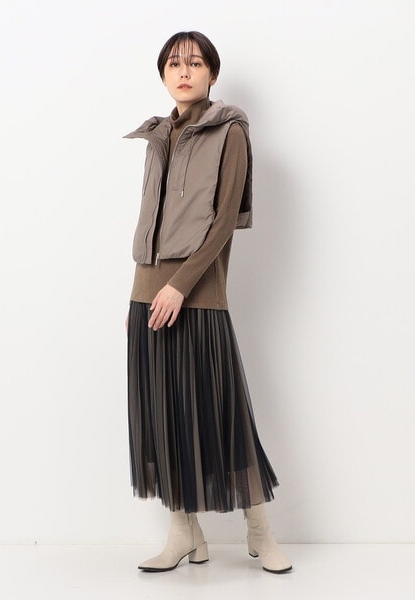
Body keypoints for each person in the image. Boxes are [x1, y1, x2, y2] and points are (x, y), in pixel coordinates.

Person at [124, 31, 292, 575]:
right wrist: (143, 292)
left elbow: (223, 224)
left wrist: (180, 285)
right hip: (146, 294)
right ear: (163, 74)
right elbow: (152, 222)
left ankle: (259, 530)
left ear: (212, 74)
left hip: (197, 294)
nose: (184, 71)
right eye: (174, 63)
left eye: (195, 63)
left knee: (222, 413)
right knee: (163, 418)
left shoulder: (230, 130)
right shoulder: (156, 136)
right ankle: (184, 533)